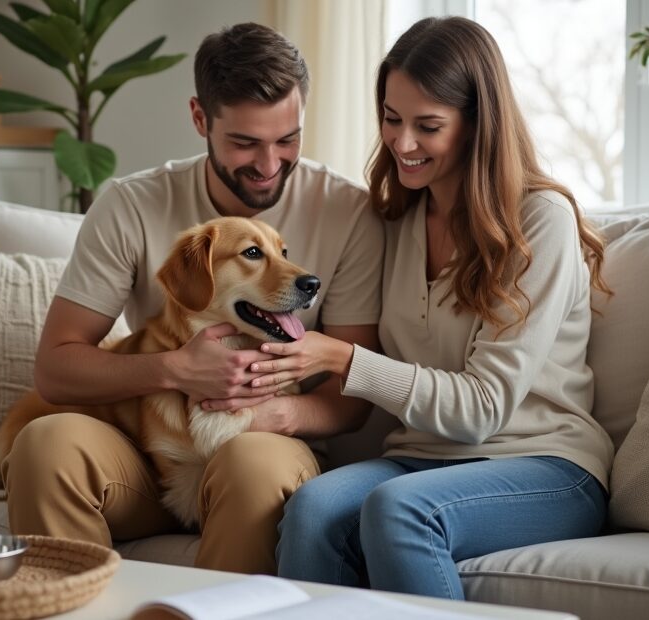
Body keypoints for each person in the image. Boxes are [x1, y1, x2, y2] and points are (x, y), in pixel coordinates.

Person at [253, 16, 614, 598]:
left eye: (428, 126)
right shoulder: (395, 219)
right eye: (392, 119)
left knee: (400, 511)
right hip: (420, 460)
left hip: (546, 466)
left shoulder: (540, 221)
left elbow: (483, 409)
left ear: (478, 126)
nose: (402, 142)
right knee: (314, 507)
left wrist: (347, 361)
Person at [2, 22, 383, 575]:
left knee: (250, 463)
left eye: (288, 139)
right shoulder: (132, 205)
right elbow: (57, 370)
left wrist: (276, 414)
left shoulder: (349, 212)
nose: (270, 163)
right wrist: (177, 370)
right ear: (200, 119)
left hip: (268, 447)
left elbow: (355, 391)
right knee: (46, 443)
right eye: (245, 142)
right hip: (149, 461)